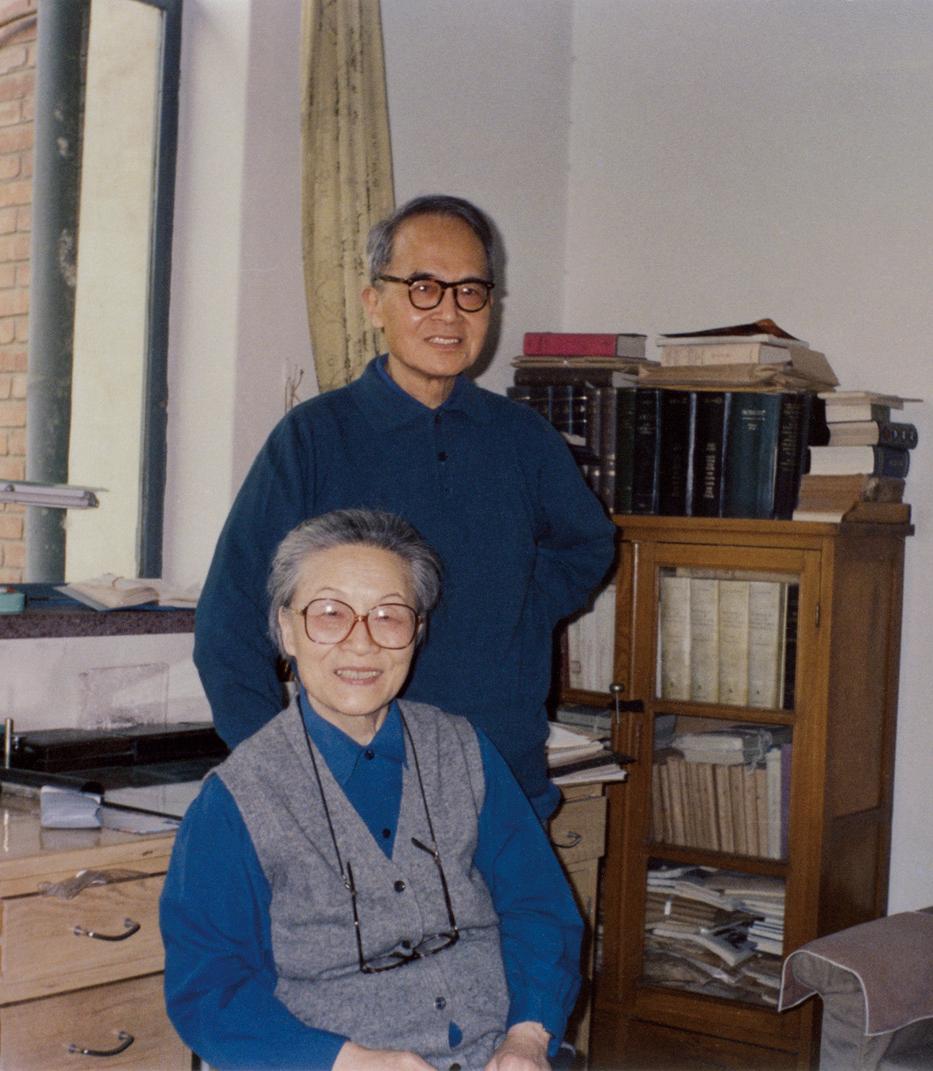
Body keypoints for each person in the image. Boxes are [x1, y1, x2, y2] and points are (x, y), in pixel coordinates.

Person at [192, 194, 617, 817]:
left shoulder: (523, 438)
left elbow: (588, 544)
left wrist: (519, 609)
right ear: (374, 303)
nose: (450, 311)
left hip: (502, 784)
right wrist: (282, 773)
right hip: (355, 795)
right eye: (423, 288)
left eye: (470, 291)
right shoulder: (314, 438)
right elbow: (228, 623)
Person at [162, 509, 584, 1071]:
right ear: (286, 630)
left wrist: (528, 1036)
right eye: (330, 614)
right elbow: (210, 992)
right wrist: (348, 1061)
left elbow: (538, 907)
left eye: (389, 616)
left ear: (418, 631)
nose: (361, 644)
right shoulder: (235, 801)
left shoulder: (464, 751)